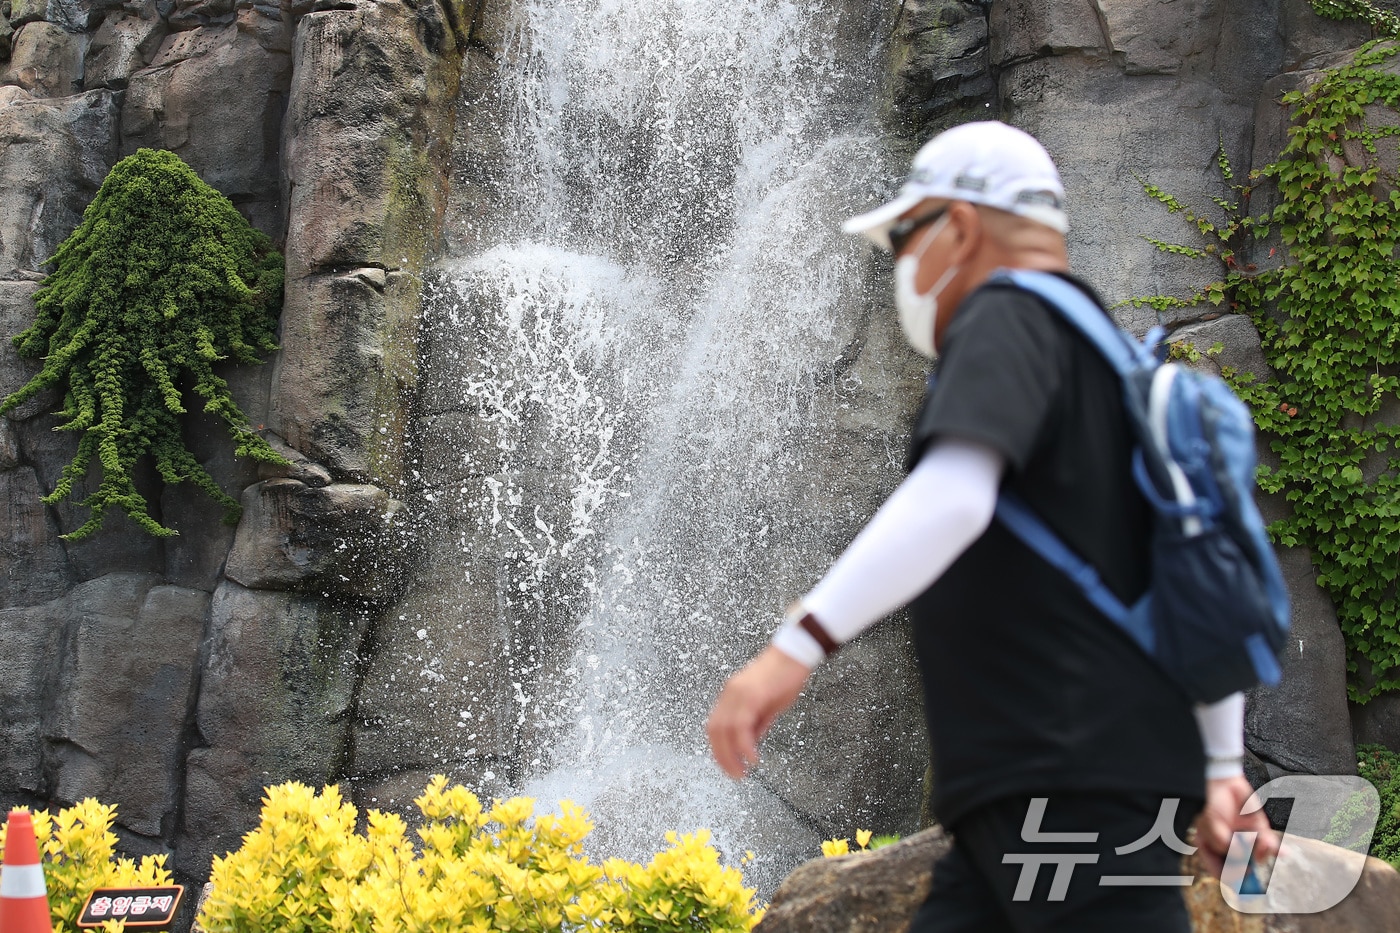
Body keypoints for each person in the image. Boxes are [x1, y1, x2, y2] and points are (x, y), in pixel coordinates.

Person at [705, 121, 1278, 932]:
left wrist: (792, 648)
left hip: (1070, 778)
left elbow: (955, 495)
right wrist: (1221, 763)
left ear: (960, 227)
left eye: (906, 235)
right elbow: (1191, 573)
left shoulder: (1007, 313)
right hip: (1037, 790)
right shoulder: (1108, 362)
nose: (901, 262)